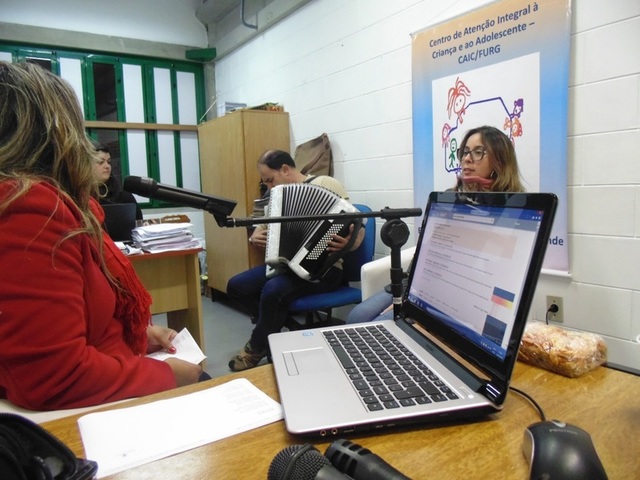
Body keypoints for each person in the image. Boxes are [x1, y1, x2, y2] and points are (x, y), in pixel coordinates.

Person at [0, 61, 202, 411]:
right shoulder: (28, 205)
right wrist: (168, 375)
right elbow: (54, 375)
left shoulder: (70, 205)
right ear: (55, 133)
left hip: (113, 366)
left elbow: (78, 320)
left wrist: (137, 335)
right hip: (89, 407)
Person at [346, 125, 525, 324]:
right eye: (465, 152)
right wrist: (408, 293)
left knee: (380, 324)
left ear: (499, 160)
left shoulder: (513, 209)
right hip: (421, 283)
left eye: (478, 152)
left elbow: (490, 269)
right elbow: (429, 249)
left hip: (456, 294)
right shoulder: (451, 197)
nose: (467, 158)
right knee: (357, 316)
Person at [226, 150, 365, 371]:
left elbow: (355, 223)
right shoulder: (277, 197)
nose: (269, 187)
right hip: (286, 267)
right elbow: (262, 226)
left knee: (273, 290)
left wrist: (350, 242)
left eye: (270, 180)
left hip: (324, 269)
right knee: (236, 286)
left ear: (285, 169)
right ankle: (276, 331)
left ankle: (257, 347)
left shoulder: (325, 183)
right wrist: (255, 236)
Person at [92, 143, 143, 220]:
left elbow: (138, 221)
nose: (107, 166)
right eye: (101, 162)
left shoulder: (123, 195)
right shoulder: (80, 195)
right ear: (87, 165)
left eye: (109, 162)